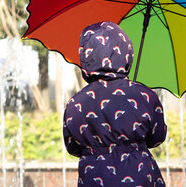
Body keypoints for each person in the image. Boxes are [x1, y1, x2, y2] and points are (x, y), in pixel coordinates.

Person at [63, 21, 167, 186]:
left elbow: (72, 147)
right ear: (126, 53)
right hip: (139, 177)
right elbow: (157, 138)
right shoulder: (145, 96)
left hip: (94, 178)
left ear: (86, 55)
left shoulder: (75, 103)